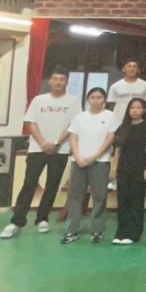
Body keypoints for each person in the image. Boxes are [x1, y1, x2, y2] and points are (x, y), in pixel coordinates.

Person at [1, 68, 81, 239]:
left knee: (52, 185)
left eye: (62, 79)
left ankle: (42, 219)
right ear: (50, 81)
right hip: (38, 148)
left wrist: (57, 143)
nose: (58, 82)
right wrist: (43, 142)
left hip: (60, 150)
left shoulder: (73, 101)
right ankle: (16, 222)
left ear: (67, 82)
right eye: (55, 79)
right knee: (29, 184)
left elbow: (73, 125)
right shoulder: (39, 100)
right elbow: (31, 122)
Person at [61, 88, 118, 244]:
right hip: (78, 161)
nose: (96, 100)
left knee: (99, 196)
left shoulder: (110, 116)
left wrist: (94, 156)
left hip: (100, 161)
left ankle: (97, 230)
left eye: (99, 97)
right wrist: (78, 157)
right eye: (92, 97)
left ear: (104, 99)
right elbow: (73, 137)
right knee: (75, 196)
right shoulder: (80, 116)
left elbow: (110, 138)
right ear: (88, 99)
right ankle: (71, 230)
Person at [110, 98, 146, 244]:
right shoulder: (122, 127)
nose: (135, 110)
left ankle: (134, 233)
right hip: (123, 167)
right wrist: (114, 169)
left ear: (144, 110)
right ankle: (121, 232)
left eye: (138, 108)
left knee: (136, 200)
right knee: (123, 199)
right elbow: (117, 150)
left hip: (139, 166)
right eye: (132, 108)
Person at [106, 59, 146, 126]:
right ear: (123, 69)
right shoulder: (115, 86)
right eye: (129, 66)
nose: (132, 69)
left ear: (138, 69)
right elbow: (110, 105)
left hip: (138, 121)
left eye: (135, 66)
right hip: (119, 121)